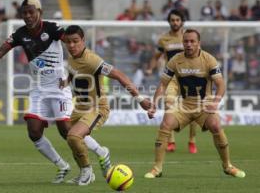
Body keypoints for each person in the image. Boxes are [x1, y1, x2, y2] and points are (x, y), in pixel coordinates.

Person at [0, 0, 111, 184]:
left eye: (31, 12)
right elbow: (0, 51)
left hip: (58, 89)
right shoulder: (19, 34)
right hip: (38, 90)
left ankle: (98, 155)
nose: (28, 16)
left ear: (40, 12)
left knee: (67, 132)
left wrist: (76, 69)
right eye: (24, 13)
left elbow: (72, 45)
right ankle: (63, 165)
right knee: (34, 132)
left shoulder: (53, 29)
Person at [144, 29, 246, 179]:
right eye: (186, 41)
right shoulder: (175, 60)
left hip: (204, 105)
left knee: (216, 125)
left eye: (192, 41)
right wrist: (154, 103)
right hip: (184, 105)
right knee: (166, 124)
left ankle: (228, 166)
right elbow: (163, 85)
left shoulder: (209, 59)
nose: (189, 44)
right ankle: (157, 168)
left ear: (199, 43)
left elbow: (221, 84)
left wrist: (216, 102)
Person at [62, 25, 151, 186]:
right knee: (70, 137)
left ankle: (87, 172)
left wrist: (140, 99)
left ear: (83, 41)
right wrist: (64, 82)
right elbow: (72, 72)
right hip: (80, 107)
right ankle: (101, 153)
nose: (72, 45)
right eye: (68, 42)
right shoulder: (71, 57)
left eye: (75, 41)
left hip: (97, 108)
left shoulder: (92, 60)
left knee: (74, 137)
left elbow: (119, 75)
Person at [146, 9, 198, 153]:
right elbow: (156, 57)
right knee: (168, 105)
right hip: (172, 77)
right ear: (169, 22)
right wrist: (150, 68)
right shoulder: (164, 39)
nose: (175, 22)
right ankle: (171, 141)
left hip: (190, 76)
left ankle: (192, 141)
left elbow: (198, 55)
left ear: (182, 21)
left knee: (193, 110)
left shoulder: (188, 38)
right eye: (172, 20)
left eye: (177, 20)